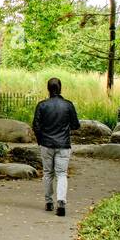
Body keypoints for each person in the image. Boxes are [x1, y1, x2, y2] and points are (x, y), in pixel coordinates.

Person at [31, 77, 81, 216]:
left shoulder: (41, 105)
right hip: (63, 144)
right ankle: (61, 202)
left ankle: (48, 202)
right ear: (60, 88)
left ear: (48, 89)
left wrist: (41, 140)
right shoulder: (68, 105)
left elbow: (36, 126)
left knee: (48, 173)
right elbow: (76, 125)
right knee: (62, 174)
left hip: (46, 144)